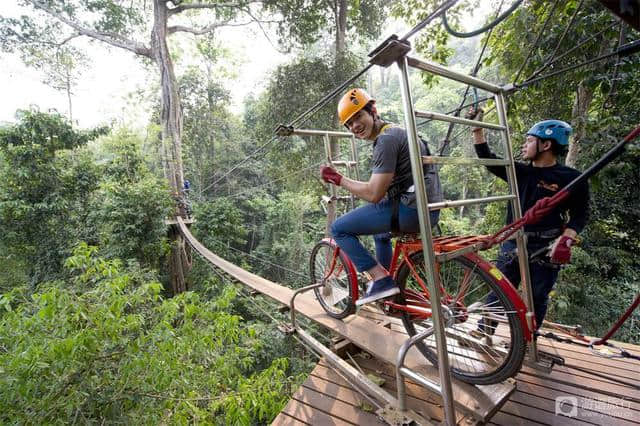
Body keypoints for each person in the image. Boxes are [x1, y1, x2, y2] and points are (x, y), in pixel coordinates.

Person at [469, 108, 590, 337]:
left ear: (545, 145)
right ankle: (484, 331)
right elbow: (488, 159)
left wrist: (567, 238)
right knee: (500, 288)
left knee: (537, 295)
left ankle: (527, 340)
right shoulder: (520, 172)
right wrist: (477, 129)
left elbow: (580, 214)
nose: (524, 145)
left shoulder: (571, 178)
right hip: (513, 242)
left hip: (545, 246)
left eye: (529, 140)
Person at [320, 88, 443, 305]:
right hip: (428, 208)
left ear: (373, 111)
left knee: (339, 228)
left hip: (410, 212)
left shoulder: (386, 140)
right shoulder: (398, 131)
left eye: (358, 116)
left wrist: (339, 179)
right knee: (380, 235)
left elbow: (374, 194)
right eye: (349, 123)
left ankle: (381, 279)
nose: (354, 126)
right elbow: (383, 187)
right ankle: (386, 288)